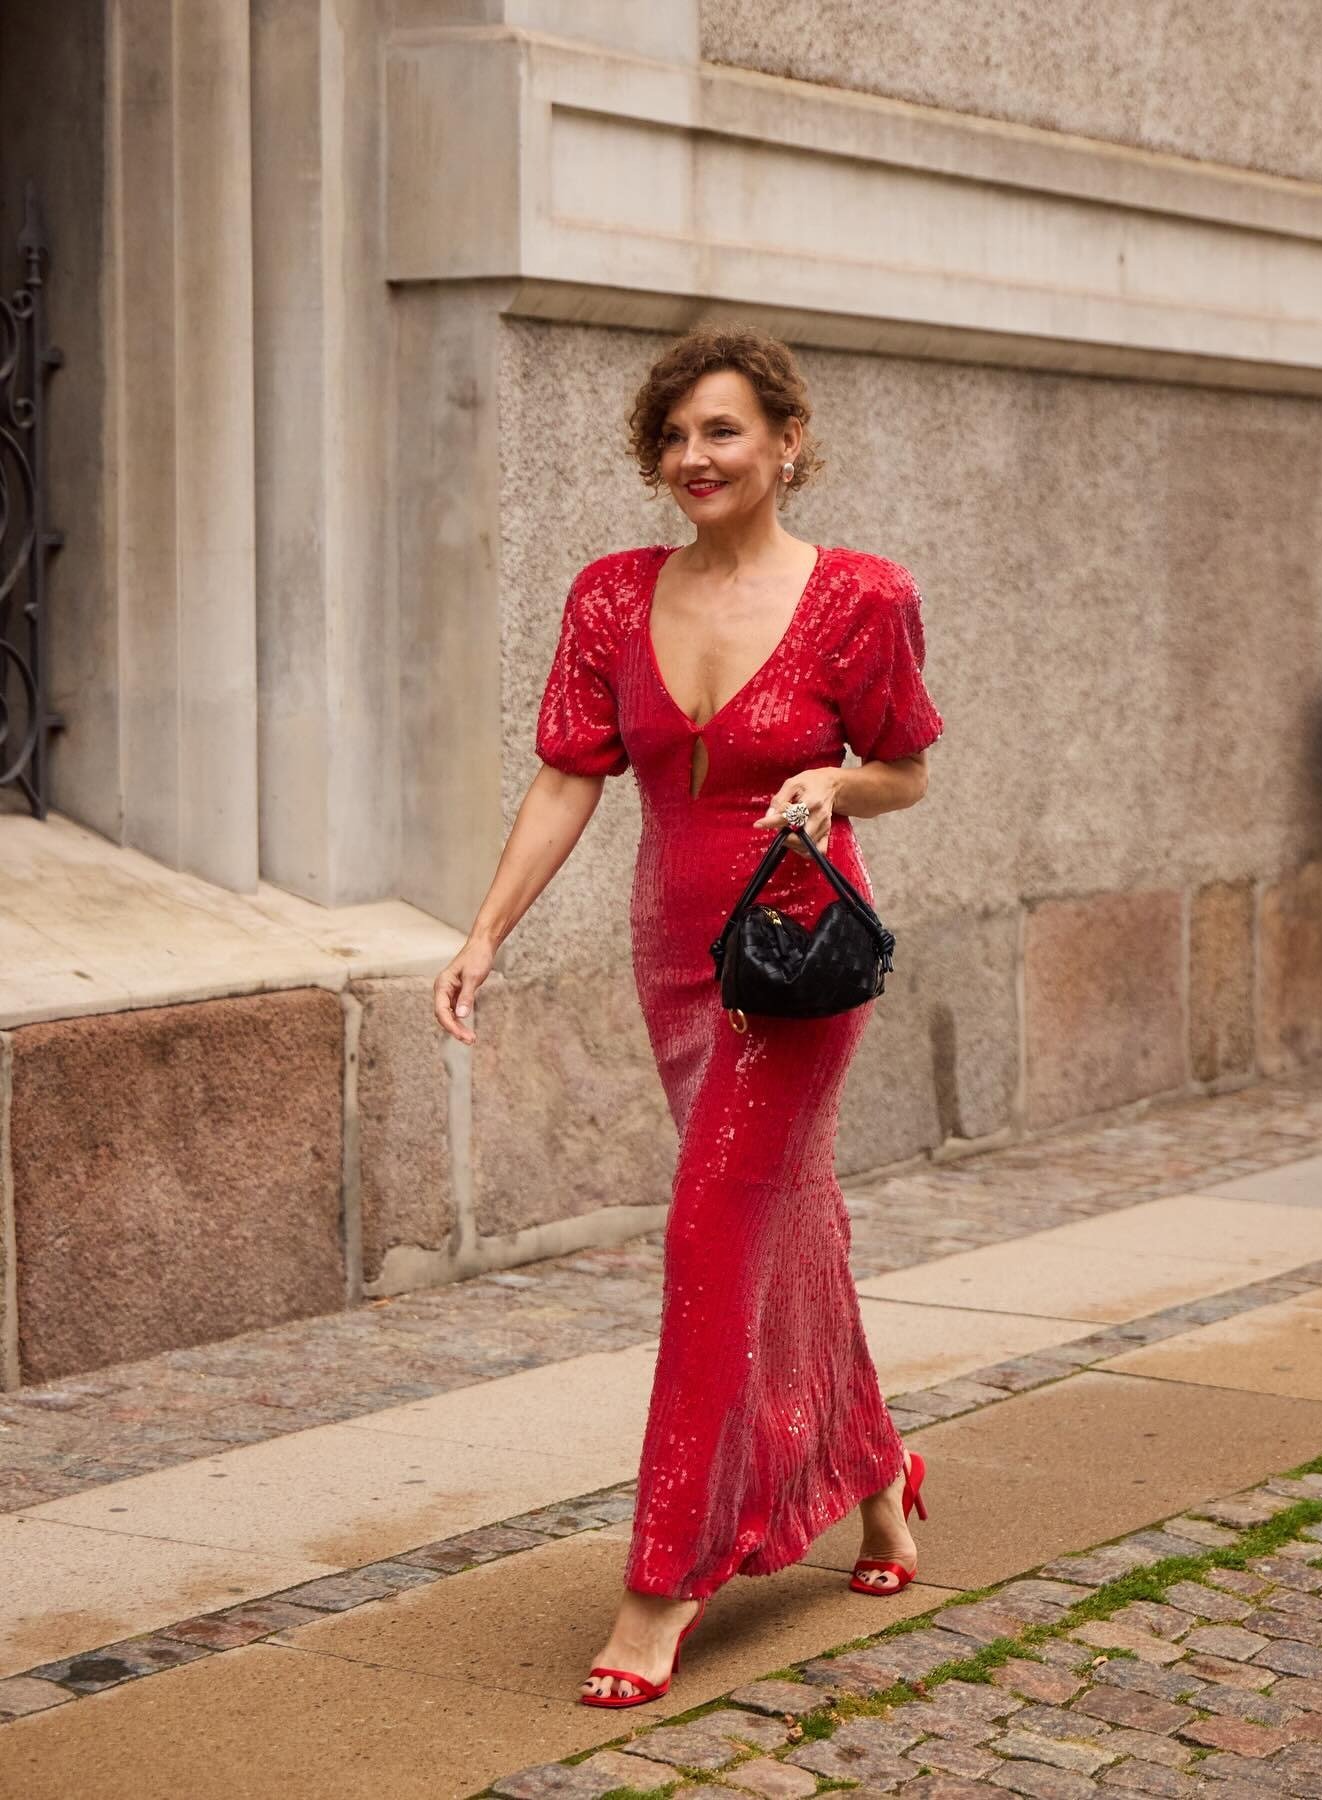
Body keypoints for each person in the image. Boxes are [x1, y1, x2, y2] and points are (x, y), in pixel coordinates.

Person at [433, 322, 943, 1709]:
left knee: (715, 1223)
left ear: (786, 439)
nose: (693, 458)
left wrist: (837, 787)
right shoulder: (610, 596)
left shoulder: (861, 597)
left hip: (796, 956)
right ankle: (880, 1473)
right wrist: (483, 934)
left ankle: (663, 1581)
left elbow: (903, 763)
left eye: (721, 431)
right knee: (789, 1220)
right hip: (675, 957)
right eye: (672, 436)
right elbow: (567, 780)